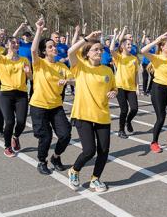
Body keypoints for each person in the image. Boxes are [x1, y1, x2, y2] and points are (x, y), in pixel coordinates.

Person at [67, 29, 117, 192]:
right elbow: (71, 51)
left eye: (101, 49)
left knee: (104, 151)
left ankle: (95, 179)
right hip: (83, 114)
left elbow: (114, 88)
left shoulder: (108, 70)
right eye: (96, 49)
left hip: (102, 115)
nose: (99, 52)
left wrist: (114, 92)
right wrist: (87, 38)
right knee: (89, 150)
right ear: (87, 53)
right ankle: (74, 171)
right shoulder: (80, 66)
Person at [29, 17, 73, 175]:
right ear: (44, 51)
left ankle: (56, 157)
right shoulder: (39, 63)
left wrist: (68, 80)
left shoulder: (61, 66)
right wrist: (39, 30)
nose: (54, 48)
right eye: (50, 47)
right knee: (45, 137)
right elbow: (33, 50)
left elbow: (75, 80)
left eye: (54, 46)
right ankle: (42, 161)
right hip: (39, 106)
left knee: (66, 134)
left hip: (56, 106)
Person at [0, 29, 31, 157]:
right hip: (6, 94)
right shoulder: (1, 59)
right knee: (10, 121)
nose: (16, 44)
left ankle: (15, 137)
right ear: (6, 45)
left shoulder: (24, 60)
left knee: (21, 122)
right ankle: (7, 146)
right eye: (12, 42)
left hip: (21, 94)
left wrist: (28, 72)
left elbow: (31, 78)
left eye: (17, 43)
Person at [110, 26, 139, 138]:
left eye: (131, 44)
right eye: (127, 44)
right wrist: (115, 34)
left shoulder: (134, 59)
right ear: (122, 46)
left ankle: (128, 121)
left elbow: (136, 74)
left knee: (135, 109)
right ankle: (121, 130)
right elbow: (111, 49)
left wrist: (137, 87)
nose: (130, 46)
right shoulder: (119, 57)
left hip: (131, 87)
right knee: (124, 109)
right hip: (120, 86)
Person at [140, 31, 155, 95]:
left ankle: (149, 89)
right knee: (145, 78)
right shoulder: (145, 46)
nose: (149, 40)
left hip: (151, 64)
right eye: (148, 39)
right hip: (145, 64)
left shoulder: (153, 47)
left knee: (153, 77)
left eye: (150, 39)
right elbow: (142, 42)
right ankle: (144, 90)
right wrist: (144, 34)